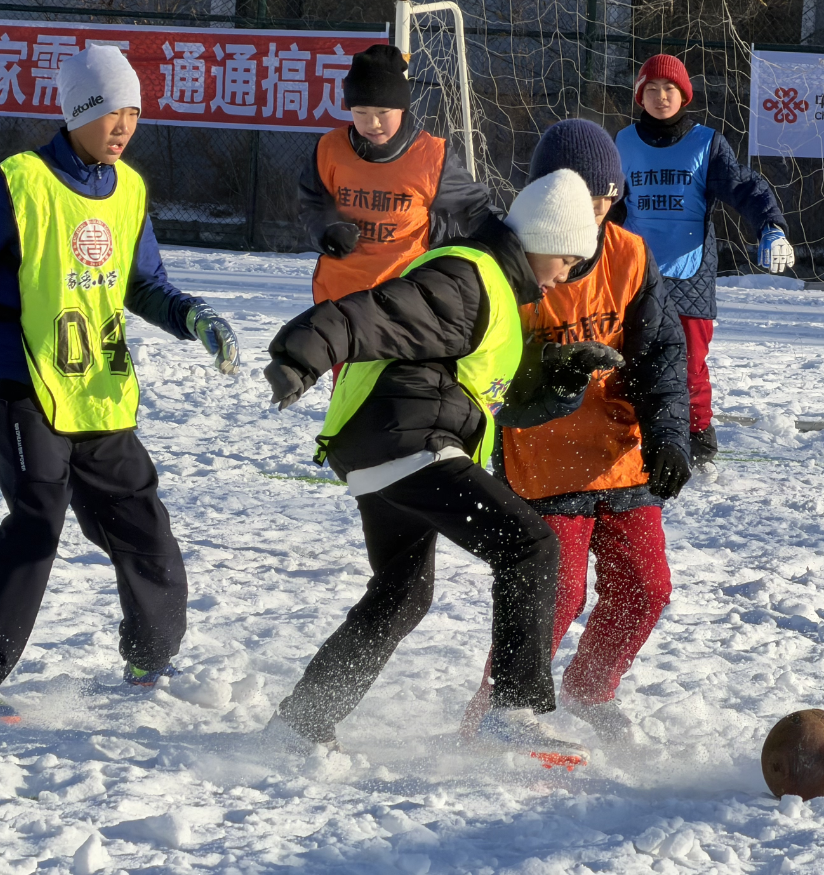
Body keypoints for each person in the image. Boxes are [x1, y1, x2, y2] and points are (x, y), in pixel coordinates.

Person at [0, 45, 240, 722]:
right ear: (76, 112)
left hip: (97, 389)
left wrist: (193, 316)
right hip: (23, 382)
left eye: (133, 113)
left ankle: (150, 660)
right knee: (38, 521)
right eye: (109, 112)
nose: (123, 127)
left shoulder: (129, 189)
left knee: (144, 528)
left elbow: (143, 284)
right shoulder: (22, 180)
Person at [263, 169, 623, 761]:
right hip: (407, 441)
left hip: (384, 449)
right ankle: (514, 710)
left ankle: (301, 723)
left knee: (403, 593)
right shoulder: (467, 278)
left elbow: (483, 390)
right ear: (545, 240)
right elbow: (374, 313)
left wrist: (559, 375)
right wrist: (301, 356)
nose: (567, 275)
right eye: (568, 259)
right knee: (529, 545)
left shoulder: (495, 292)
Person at [459, 119, 692, 742]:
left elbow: (662, 355)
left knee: (645, 589)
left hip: (620, 455)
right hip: (543, 459)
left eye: (604, 199)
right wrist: (556, 370)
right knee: (551, 597)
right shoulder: (510, 266)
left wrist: (671, 435)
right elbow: (494, 372)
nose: (594, 212)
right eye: (581, 198)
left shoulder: (631, 255)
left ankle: (590, 690)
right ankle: (495, 714)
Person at [614, 53, 793, 463]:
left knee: (690, 363)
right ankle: (631, 440)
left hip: (689, 275)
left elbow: (745, 187)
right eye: (652, 89)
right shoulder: (623, 142)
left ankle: (697, 440)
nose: (661, 96)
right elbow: (608, 202)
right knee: (629, 358)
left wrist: (771, 226)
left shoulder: (705, 143)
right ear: (640, 96)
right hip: (635, 273)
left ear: (684, 95)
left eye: (670, 89)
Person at [298, 43, 490, 307]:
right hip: (339, 298)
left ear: (402, 108)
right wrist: (326, 232)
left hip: (406, 298)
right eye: (361, 112)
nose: (372, 123)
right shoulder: (329, 148)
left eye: (383, 113)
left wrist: (510, 251)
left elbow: (475, 210)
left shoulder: (432, 156)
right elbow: (312, 205)